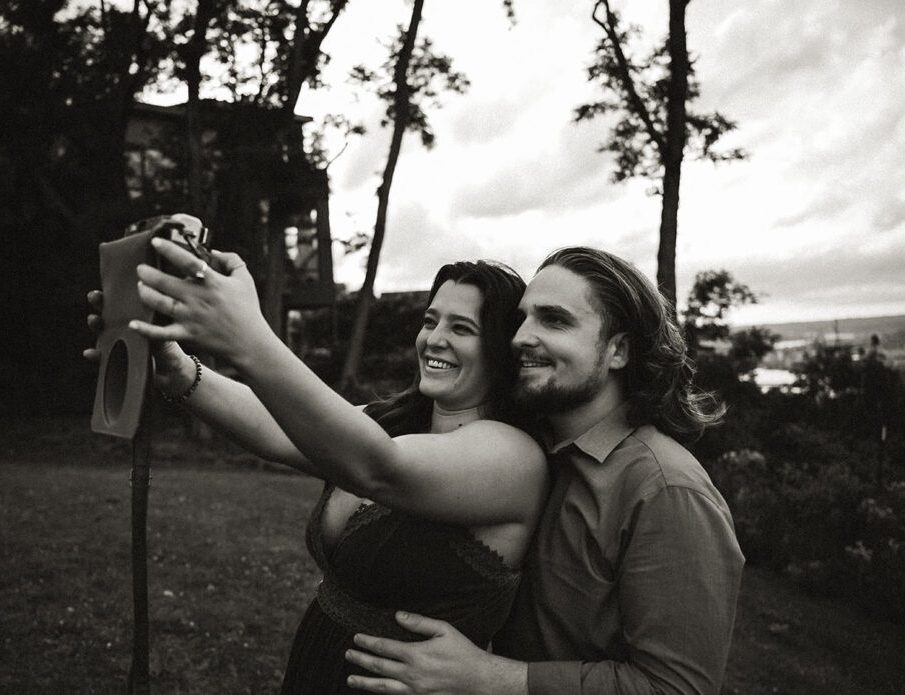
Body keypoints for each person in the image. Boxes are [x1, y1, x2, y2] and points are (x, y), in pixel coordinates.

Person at [85, 243, 548, 694]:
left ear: (501, 350)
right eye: (430, 320)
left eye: (462, 328)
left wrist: (246, 335)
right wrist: (180, 369)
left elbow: (378, 468)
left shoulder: (512, 456)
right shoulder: (392, 421)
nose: (434, 338)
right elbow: (281, 429)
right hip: (316, 669)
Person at [341, 247, 745, 695]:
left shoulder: (666, 489)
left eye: (553, 320)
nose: (520, 338)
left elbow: (678, 687)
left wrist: (489, 677)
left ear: (619, 351)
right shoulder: (534, 447)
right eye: (523, 319)